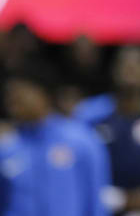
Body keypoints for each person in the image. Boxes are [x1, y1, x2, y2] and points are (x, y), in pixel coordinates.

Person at [74, 46, 140, 215]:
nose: (131, 68)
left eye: (139, 64)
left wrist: (138, 199)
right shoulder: (88, 115)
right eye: (124, 63)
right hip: (100, 206)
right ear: (113, 71)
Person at [0, 70, 111, 216]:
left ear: (42, 93)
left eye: (19, 94)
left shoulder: (80, 139)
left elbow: (97, 198)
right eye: (9, 97)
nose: (13, 102)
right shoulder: (7, 145)